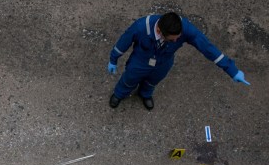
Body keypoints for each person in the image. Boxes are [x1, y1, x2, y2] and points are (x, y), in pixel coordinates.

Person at [107, 12, 250, 110]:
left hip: (163, 63)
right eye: (173, 39)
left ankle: (145, 94)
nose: (177, 40)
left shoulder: (185, 28)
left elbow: (207, 47)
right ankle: (120, 94)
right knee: (129, 78)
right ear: (159, 30)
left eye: (178, 37)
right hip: (140, 61)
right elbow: (123, 42)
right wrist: (113, 59)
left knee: (153, 81)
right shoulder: (140, 27)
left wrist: (232, 70)